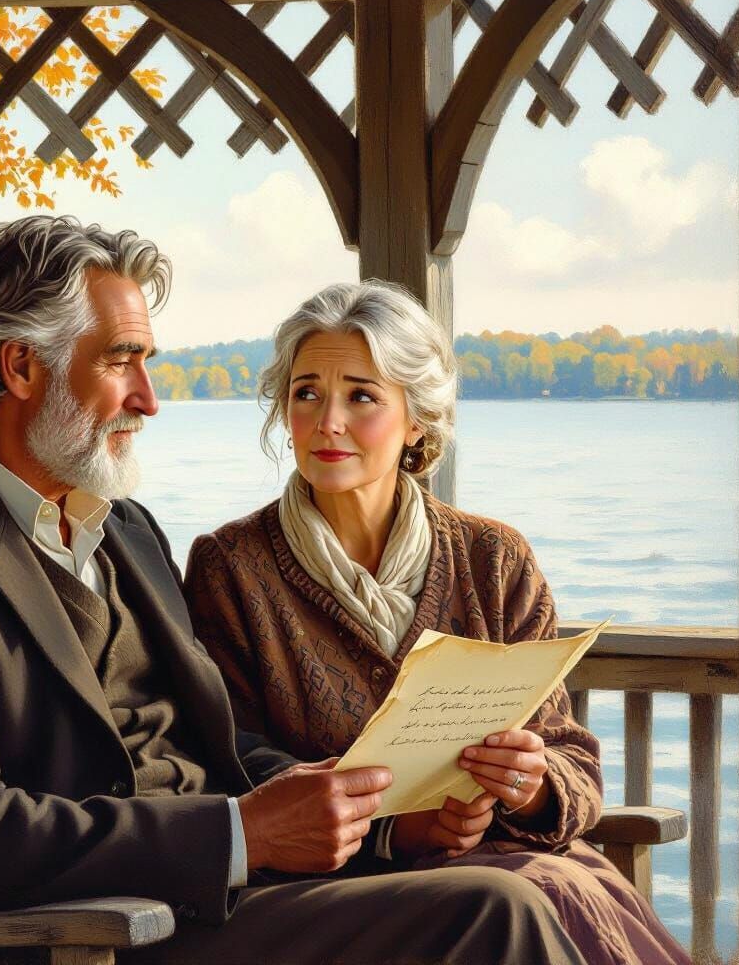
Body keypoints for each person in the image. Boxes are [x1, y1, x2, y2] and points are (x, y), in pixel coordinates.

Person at [0, 217, 588, 965]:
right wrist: (241, 833)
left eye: (147, 363)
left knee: (506, 891)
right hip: (84, 935)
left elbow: (222, 747)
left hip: (208, 906)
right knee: (492, 913)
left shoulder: (123, 531)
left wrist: (377, 827)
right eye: (119, 360)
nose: (148, 398)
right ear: (21, 366)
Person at [185, 281, 691, 965]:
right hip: (352, 893)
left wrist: (532, 785)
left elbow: (574, 763)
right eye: (306, 393)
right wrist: (396, 829)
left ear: (416, 419)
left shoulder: (493, 557)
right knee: (539, 892)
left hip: (519, 863)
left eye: (362, 396)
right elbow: (230, 760)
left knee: (562, 885)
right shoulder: (231, 567)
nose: (328, 420)